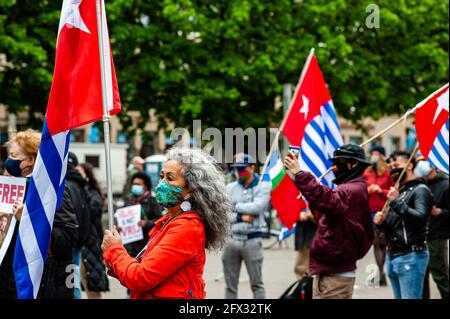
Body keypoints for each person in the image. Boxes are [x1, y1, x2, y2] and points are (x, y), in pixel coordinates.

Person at [101, 147, 232, 299]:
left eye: (170, 178)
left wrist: (114, 250)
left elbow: (141, 278)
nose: (162, 184)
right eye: (162, 176)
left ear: (191, 189)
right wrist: (116, 258)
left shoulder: (187, 227)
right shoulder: (169, 220)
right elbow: (142, 274)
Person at [284, 144, 374, 299]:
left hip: (337, 273)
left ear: (353, 164)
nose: (335, 167)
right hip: (327, 269)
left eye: (340, 161)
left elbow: (328, 201)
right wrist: (315, 199)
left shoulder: (351, 189)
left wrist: (300, 174)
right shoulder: (348, 188)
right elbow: (326, 214)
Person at [0, 129, 79, 299]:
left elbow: (68, 237)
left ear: (30, 160)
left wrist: (28, 220)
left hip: (38, 283)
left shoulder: (51, 190)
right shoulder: (10, 187)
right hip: (9, 281)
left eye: (14, 156)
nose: (9, 161)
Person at [374, 151, 433, 299]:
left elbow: (420, 218)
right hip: (393, 256)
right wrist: (381, 223)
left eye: (397, 164)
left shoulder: (421, 190)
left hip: (411, 256)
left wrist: (397, 202)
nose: (393, 168)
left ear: (409, 166)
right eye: (391, 165)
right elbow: (396, 224)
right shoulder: (400, 191)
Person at [222, 153, 271, 299]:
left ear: (251, 168)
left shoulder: (263, 186)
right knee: (230, 286)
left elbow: (257, 207)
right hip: (232, 240)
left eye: (243, 168)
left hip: (252, 240)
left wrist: (235, 206)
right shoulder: (230, 187)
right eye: (237, 169)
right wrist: (240, 216)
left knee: (257, 284)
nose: (239, 172)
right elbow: (223, 214)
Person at [414, 158, 449, 299]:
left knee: (440, 275)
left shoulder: (446, 185)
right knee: (421, 276)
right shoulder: (421, 184)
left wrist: (441, 211)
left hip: (437, 236)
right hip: (420, 236)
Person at [77, 163, 109, 299]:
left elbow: (93, 210)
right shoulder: (74, 190)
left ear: (87, 176)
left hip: (91, 245)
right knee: (75, 282)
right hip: (79, 244)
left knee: (92, 282)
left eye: (80, 173)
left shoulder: (92, 193)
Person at [363, 145, 393, 286]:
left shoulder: (388, 173)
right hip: (369, 212)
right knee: (376, 243)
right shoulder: (367, 173)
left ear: (381, 156)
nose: (373, 156)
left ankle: (384, 270)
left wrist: (381, 190)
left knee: (383, 242)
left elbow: (394, 192)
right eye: (371, 154)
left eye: (375, 154)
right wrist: (367, 190)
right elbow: (361, 190)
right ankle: (380, 272)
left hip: (384, 211)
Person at [123, 171, 163, 259]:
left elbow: (159, 220)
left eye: (138, 184)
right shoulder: (129, 199)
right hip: (129, 245)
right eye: (133, 184)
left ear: (145, 187)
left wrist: (146, 223)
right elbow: (122, 215)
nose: (134, 186)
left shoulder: (152, 200)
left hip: (145, 244)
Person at [293, 206, 317, 280]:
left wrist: (312, 214)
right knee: (300, 268)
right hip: (304, 237)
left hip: (314, 237)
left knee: (302, 269)